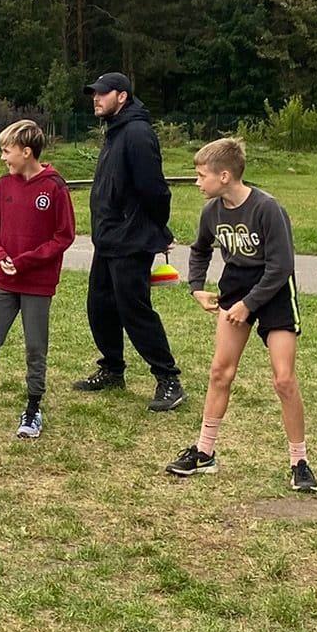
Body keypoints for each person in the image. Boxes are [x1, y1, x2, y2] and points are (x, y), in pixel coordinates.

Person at [165, 138, 317, 492]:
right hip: (236, 286)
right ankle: (205, 453)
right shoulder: (212, 212)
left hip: (274, 291)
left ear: (225, 175)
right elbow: (200, 249)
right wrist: (196, 287)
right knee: (221, 372)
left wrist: (249, 304)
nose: (197, 182)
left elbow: (281, 266)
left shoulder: (267, 208)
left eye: (201, 175)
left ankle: (300, 462)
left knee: (283, 380)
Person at [0, 118, 76, 440]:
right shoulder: (4, 185)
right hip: (3, 281)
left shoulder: (55, 187)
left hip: (37, 283)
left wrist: (25, 262)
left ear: (26, 151)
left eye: (7, 151)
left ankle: (33, 410)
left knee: (35, 347)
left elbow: (64, 236)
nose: (3, 157)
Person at [74, 71, 185, 411]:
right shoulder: (115, 130)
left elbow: (154, 189)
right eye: (94, 93)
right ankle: (112, 368)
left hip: (130, 239)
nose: (96, 98)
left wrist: (156, 229)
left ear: (121, 96)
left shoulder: (137, 133)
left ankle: (168, 379)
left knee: (134, 310)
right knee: (100, 306)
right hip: (108, 238)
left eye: (102, 93)